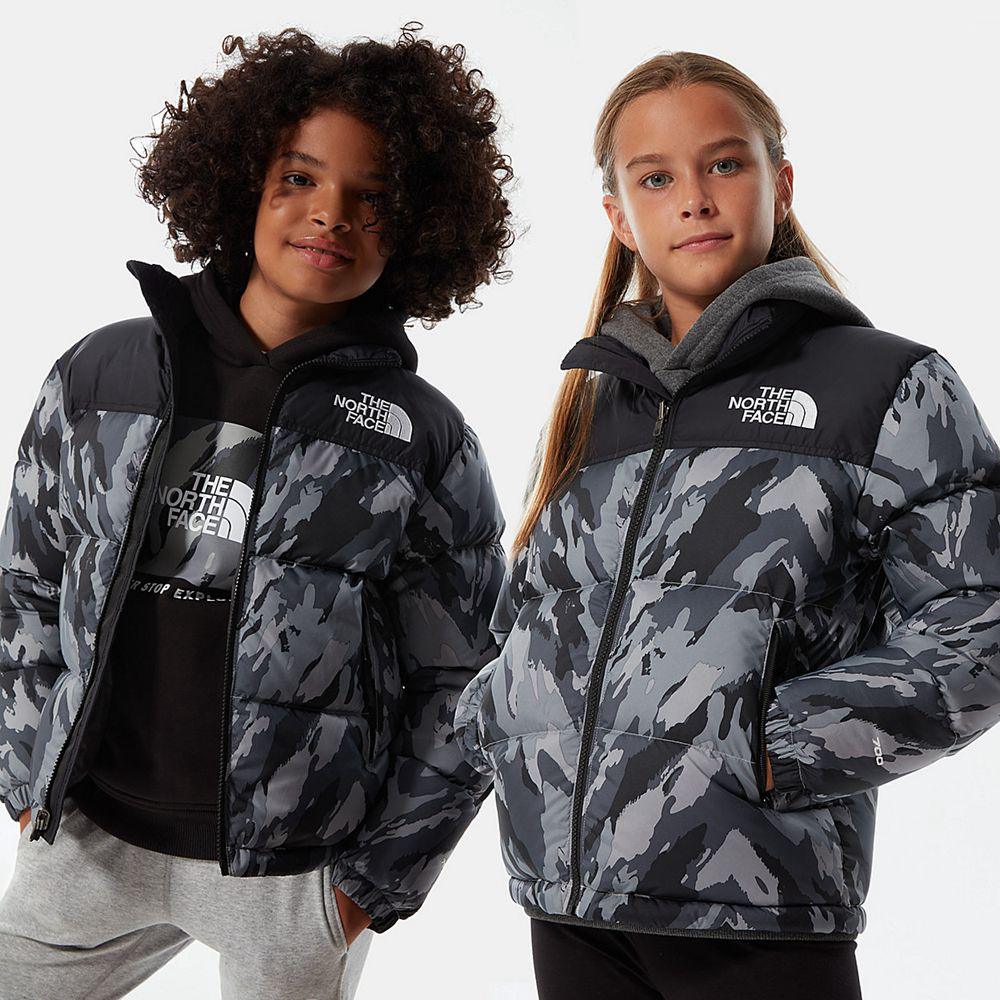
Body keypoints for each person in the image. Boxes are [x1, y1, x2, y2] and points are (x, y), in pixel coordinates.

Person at [453, 50, 1000, 1000]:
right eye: (656, 179)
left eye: (724, 164)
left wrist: (765, 745)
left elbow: (979, 625)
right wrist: (507, 726)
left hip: (757, 905)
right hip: (569, 908)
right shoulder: (596, 403)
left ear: (779, 184)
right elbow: (529, 616)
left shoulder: (885, 385)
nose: (695, 200)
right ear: (619, 217)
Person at [0, 24, 511, 1000]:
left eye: (371, 198)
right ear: (242, 183)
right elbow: (24, 588)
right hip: (89, 837)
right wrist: (29, 778)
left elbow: (468, 681)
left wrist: (364, 887)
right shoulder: (102, 373)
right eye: (299, 179)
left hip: (292, 873)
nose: (330, 215)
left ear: (419, 227)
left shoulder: (420, 437)